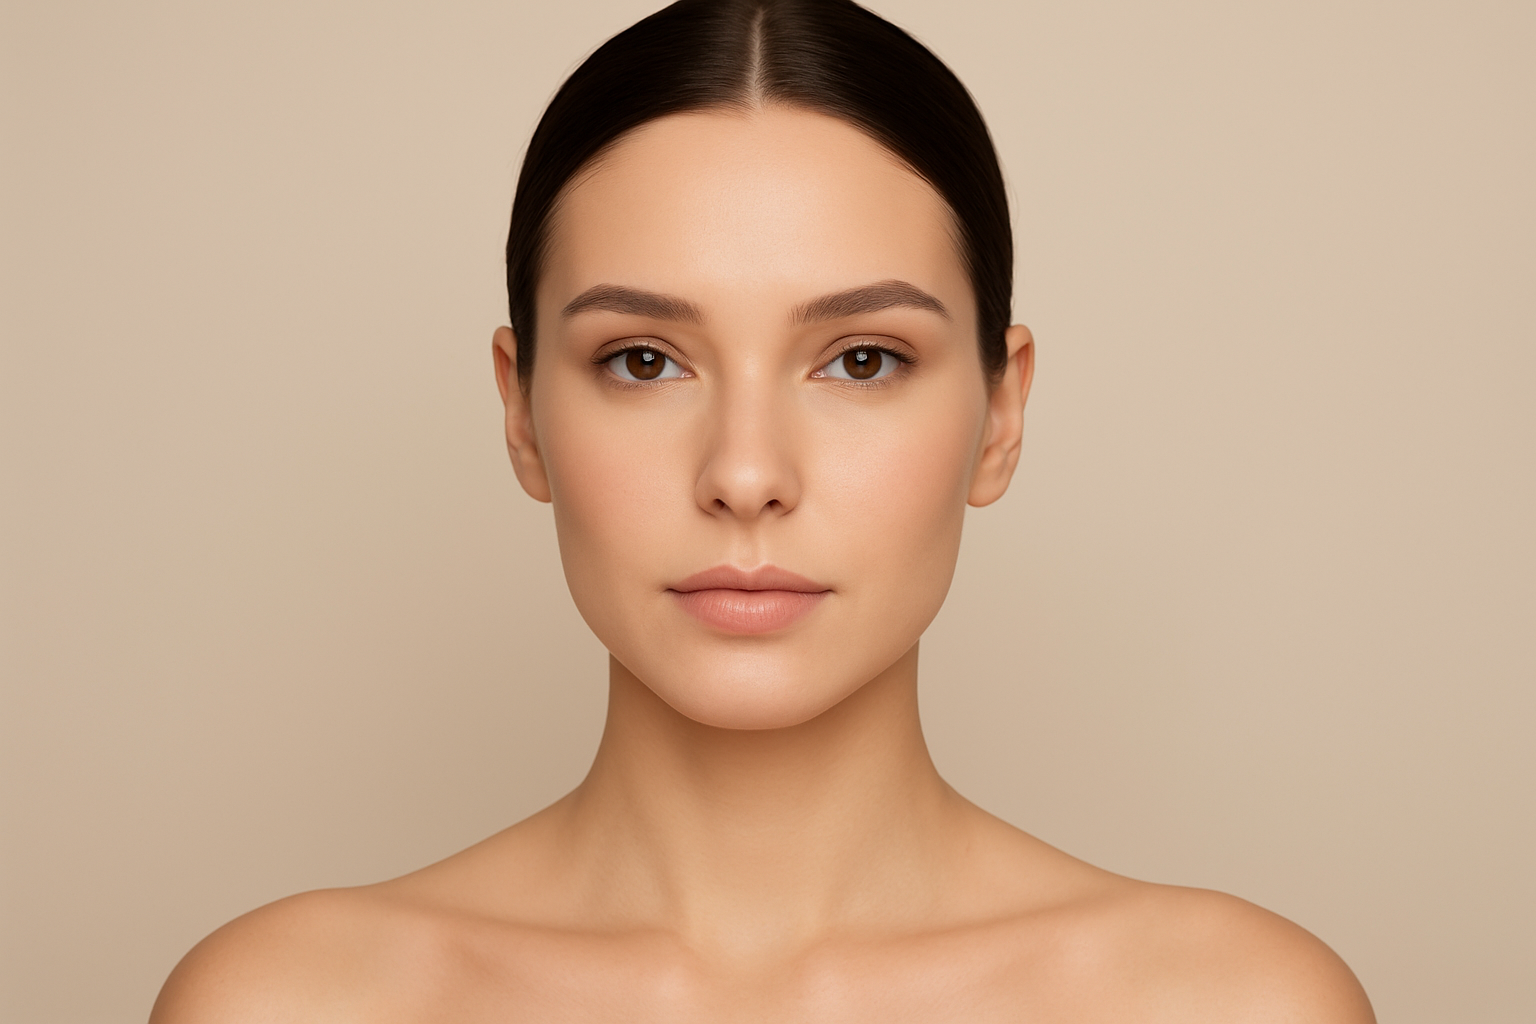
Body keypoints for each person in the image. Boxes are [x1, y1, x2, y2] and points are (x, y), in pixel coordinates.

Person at [151, 0, 1375, 1019]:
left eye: (860, 360)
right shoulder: (289, 1002)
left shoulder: (1232, 1003)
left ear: (1001, 416)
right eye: (642, 359)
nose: (745, 473)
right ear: (522, 414)